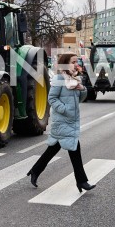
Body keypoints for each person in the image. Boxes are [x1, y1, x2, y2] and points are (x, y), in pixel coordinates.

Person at [27, 53, 96, 193]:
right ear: (65, 63)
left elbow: (80, 99)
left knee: (52, 150)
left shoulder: (74, 79)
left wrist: (82, 89)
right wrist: (64, 110)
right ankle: (82, 182)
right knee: (75, 151)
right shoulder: (59, 79)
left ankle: (35, 171)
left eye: (77, 62)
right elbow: (51, 98)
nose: (76, 64)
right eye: (73, 62)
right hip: (63, 122)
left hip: (71, 122)